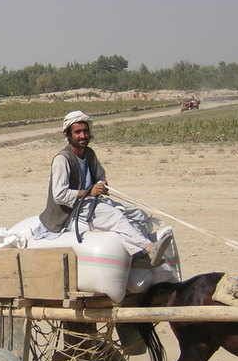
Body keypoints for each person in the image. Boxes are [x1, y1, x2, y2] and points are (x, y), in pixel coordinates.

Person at [36, 110, 167, 264]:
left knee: (138, 214)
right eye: (77, 132)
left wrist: (100, 184)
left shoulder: (89, 154)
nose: (83, 136)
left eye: (85, 131)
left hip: (90, 202)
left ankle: (136, 254)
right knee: (116, 217)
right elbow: (59, 195)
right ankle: (149, 249)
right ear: (68, 135)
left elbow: (100, 176)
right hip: (70, 212)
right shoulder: (62, 159)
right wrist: (89, 192)